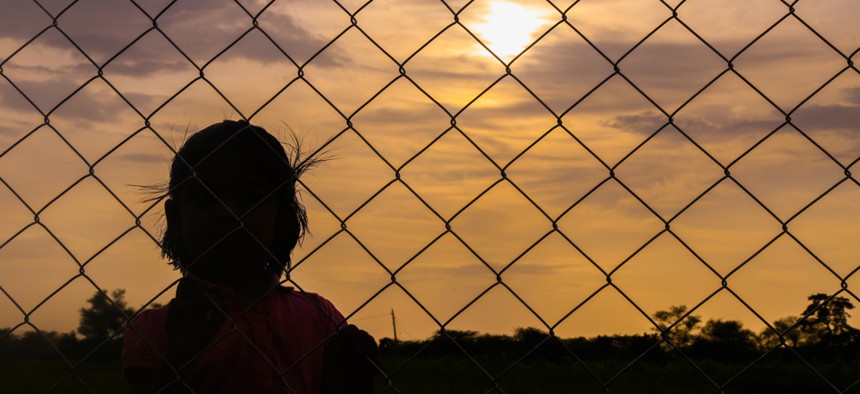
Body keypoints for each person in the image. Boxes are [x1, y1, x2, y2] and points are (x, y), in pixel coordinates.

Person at [122, 120, 378, 393]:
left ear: (283, 221)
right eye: (206, 198)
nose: (227, 213)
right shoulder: (155, 328)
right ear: (175, 219)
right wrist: (180, 358)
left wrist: (355, 377)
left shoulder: (319, 317)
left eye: (250, 197)